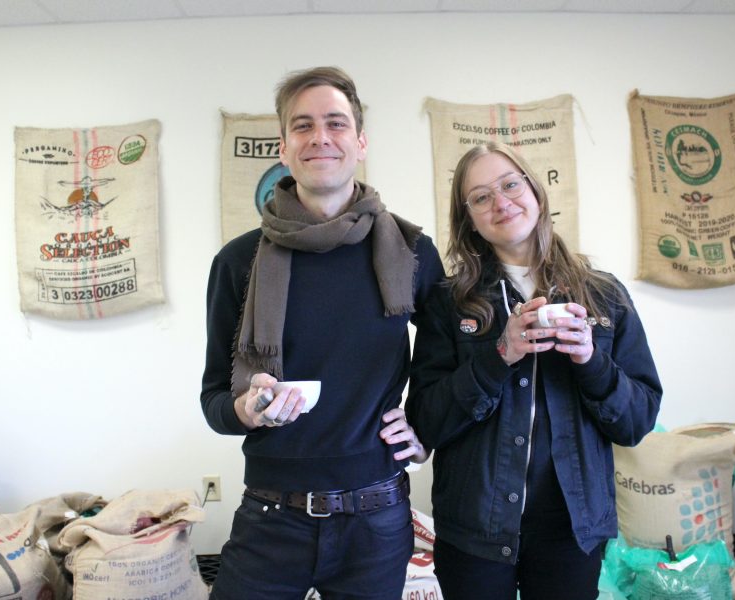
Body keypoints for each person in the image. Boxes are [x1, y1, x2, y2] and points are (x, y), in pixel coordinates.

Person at [200, 66, 443, 600]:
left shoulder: (411, 252)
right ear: (283, 147)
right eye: (303, 125)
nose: (320, 137)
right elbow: (214, 399)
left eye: (336, 123)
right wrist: (246, 410)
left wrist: (425, 427)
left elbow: (446, 358)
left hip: (376, 520)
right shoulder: (238, 261)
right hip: (270, 517)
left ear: (360, 142)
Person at [405, 142, 662, 599]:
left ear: (536, 193)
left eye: (510, 185)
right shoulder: (449, 302)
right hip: (474, 530)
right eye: (481, 197)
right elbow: (426, 421)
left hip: (572, 529)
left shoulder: (603, 296)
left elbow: (636, 421)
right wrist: (499, 355)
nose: (501, 202)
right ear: (469, 219)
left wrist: (591, 360)